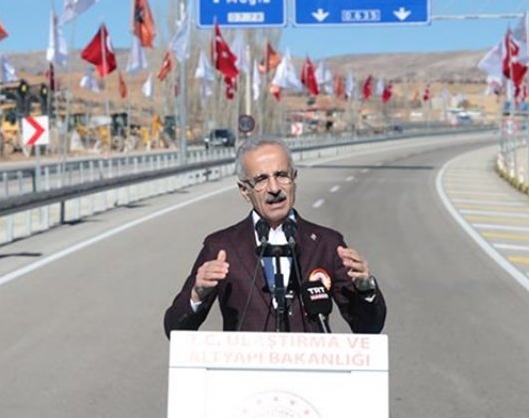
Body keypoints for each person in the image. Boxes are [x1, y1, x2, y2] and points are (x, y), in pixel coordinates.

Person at [163, 136, 386, 336]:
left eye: (281, 175)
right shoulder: (221, 247)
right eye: (261, 179)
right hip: (246, 376)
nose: (274, 188)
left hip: (310, 374)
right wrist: (197, 294)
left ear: (294, 179)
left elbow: (368, 327)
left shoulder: (328, 244)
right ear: (244, 190)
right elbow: (175, 329)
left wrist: (366, 289)